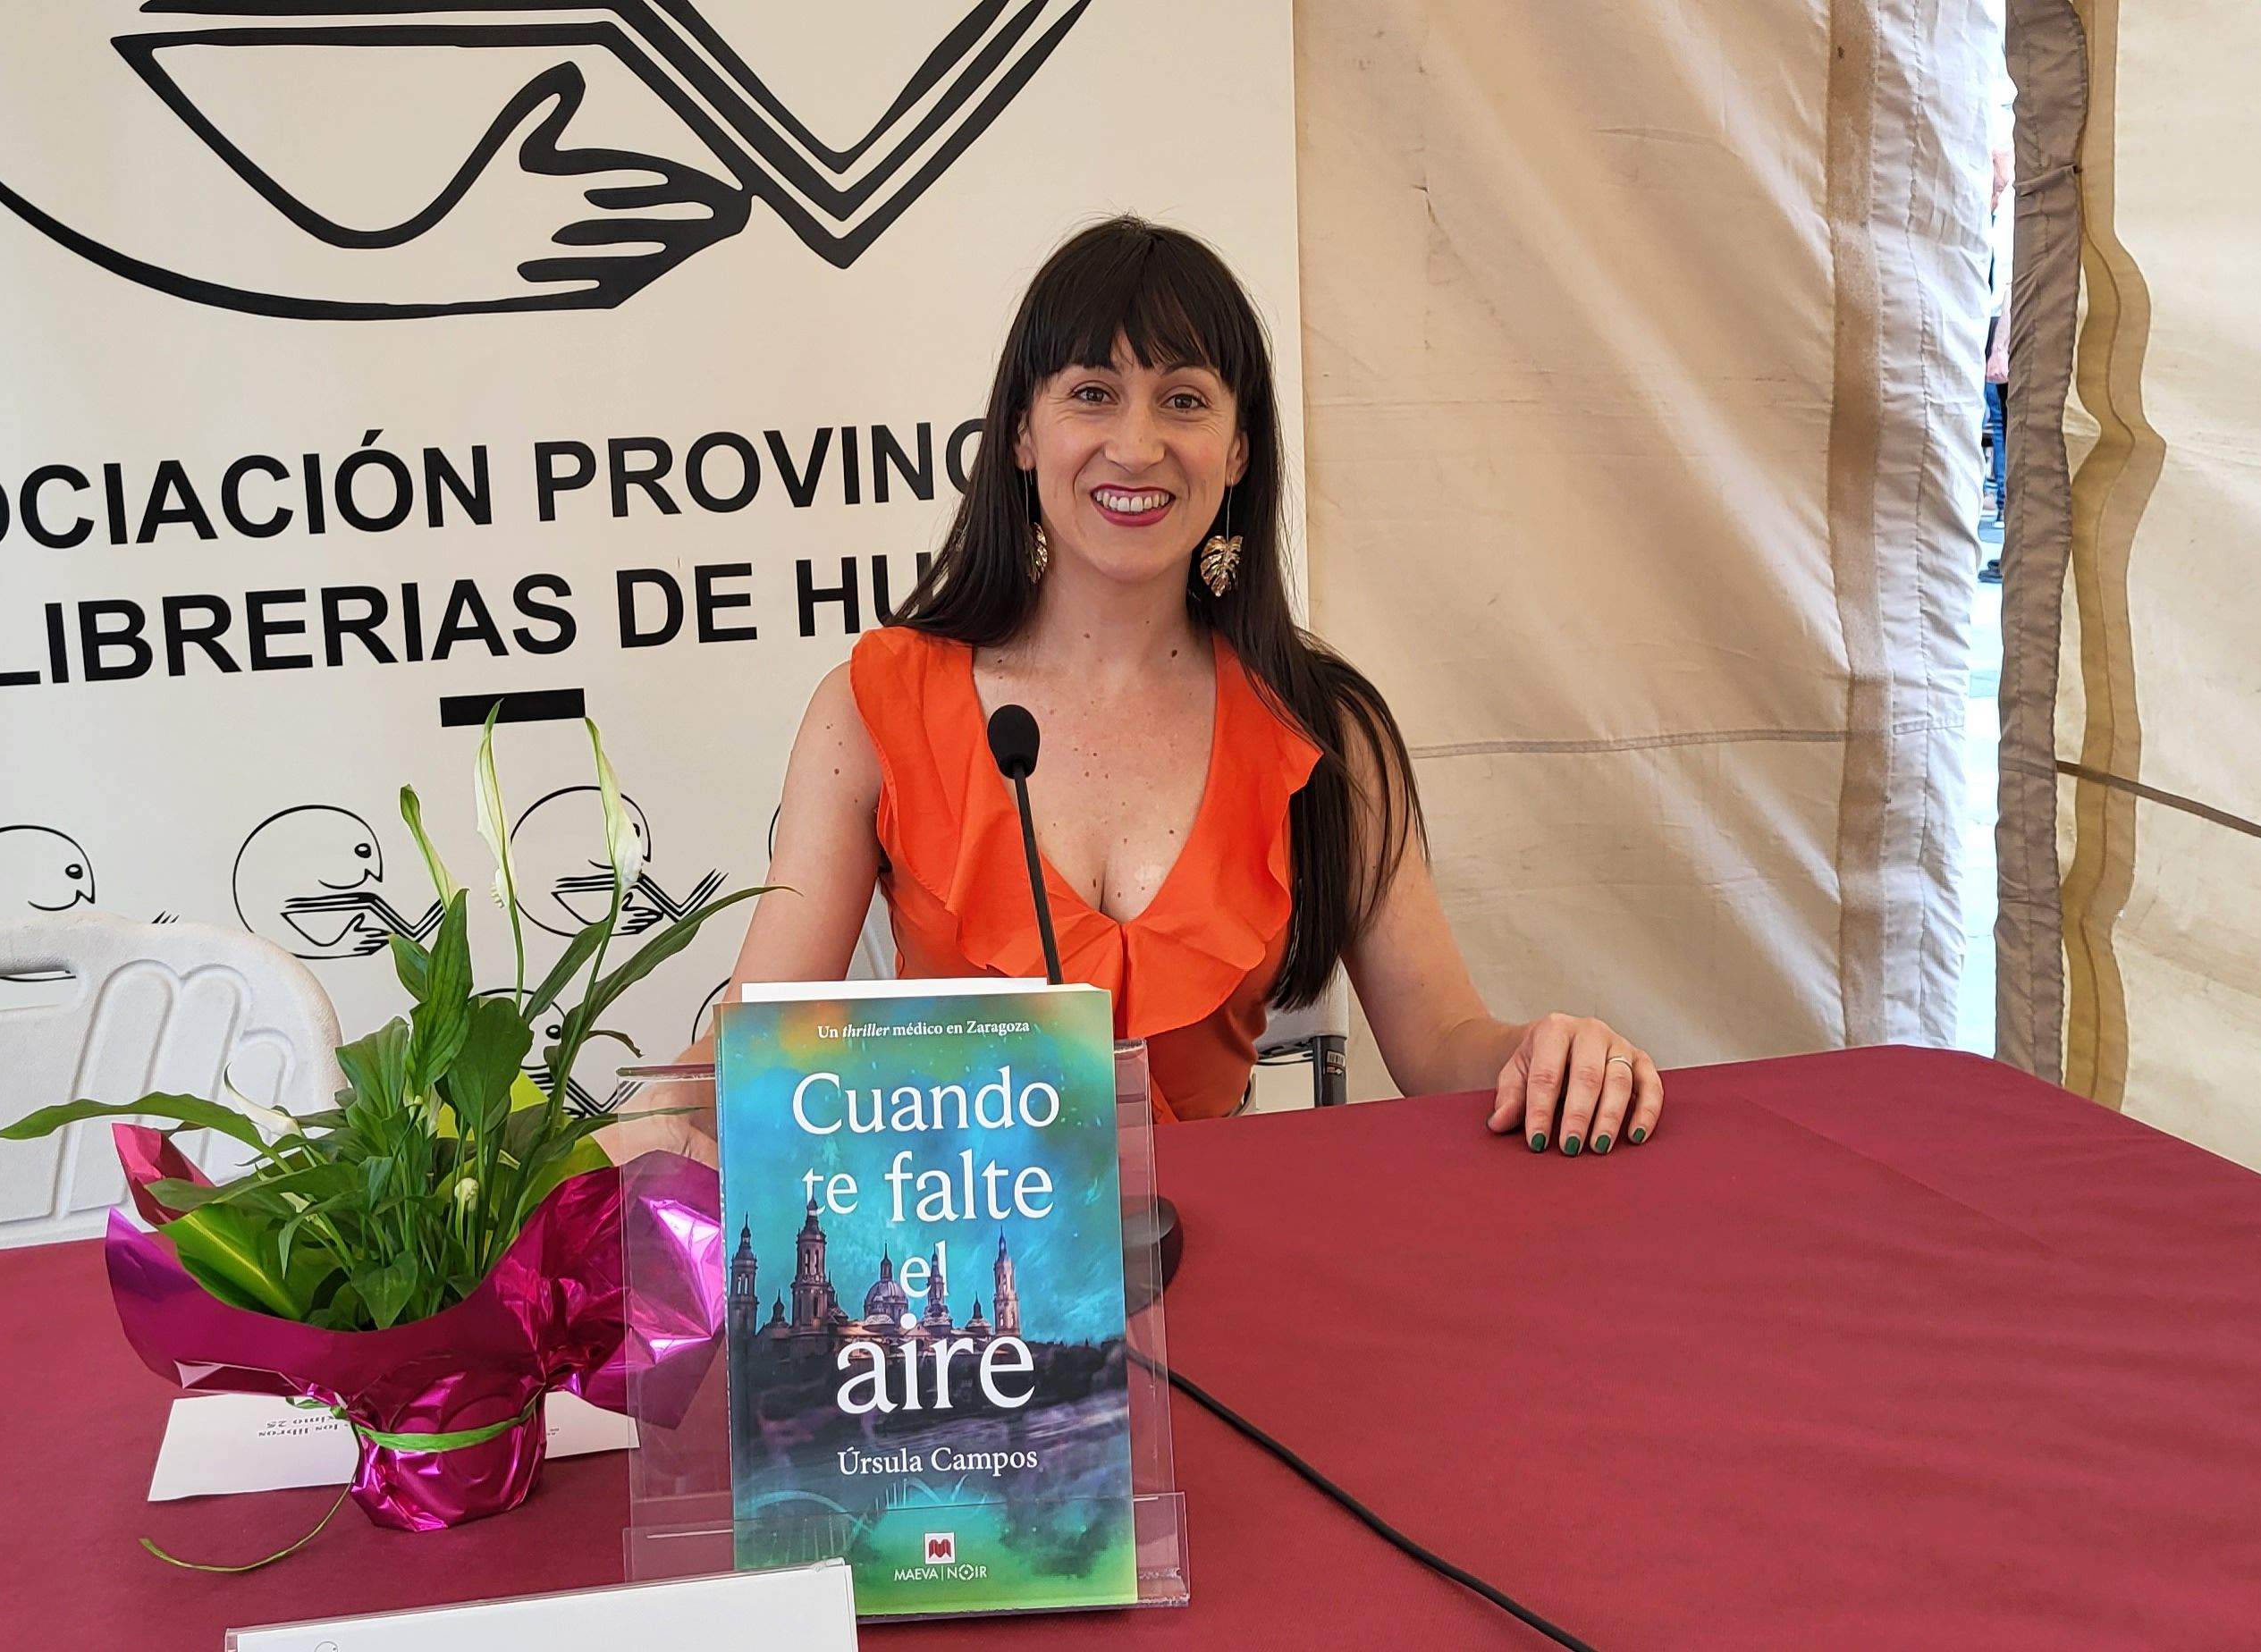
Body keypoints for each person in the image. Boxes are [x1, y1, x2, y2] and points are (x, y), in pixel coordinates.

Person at [698, 216, 1661, 1154]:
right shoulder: (870, 706)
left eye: (1185, 401)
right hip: (957, 1278)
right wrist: (616, 1135)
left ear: (1238, 452)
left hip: (1230, 1262)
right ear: (1022, 436)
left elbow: (1443, 1048)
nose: (1136, 443)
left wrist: (1544, 1051)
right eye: (1091, 393)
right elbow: (749, 1055)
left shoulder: (1324, 724)